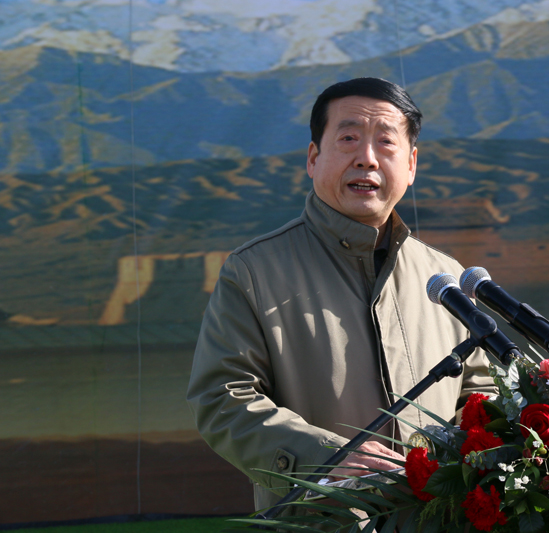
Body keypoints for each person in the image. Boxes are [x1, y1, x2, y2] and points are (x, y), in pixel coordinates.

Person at [187, 77, 496, 513]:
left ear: (411, 165)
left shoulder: (444, 278)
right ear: (313, 158)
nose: (366, 158)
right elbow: (223, 399)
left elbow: (479, 398)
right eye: (348, 138)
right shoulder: (253, 271)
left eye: (385, 142)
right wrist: (325, 459)